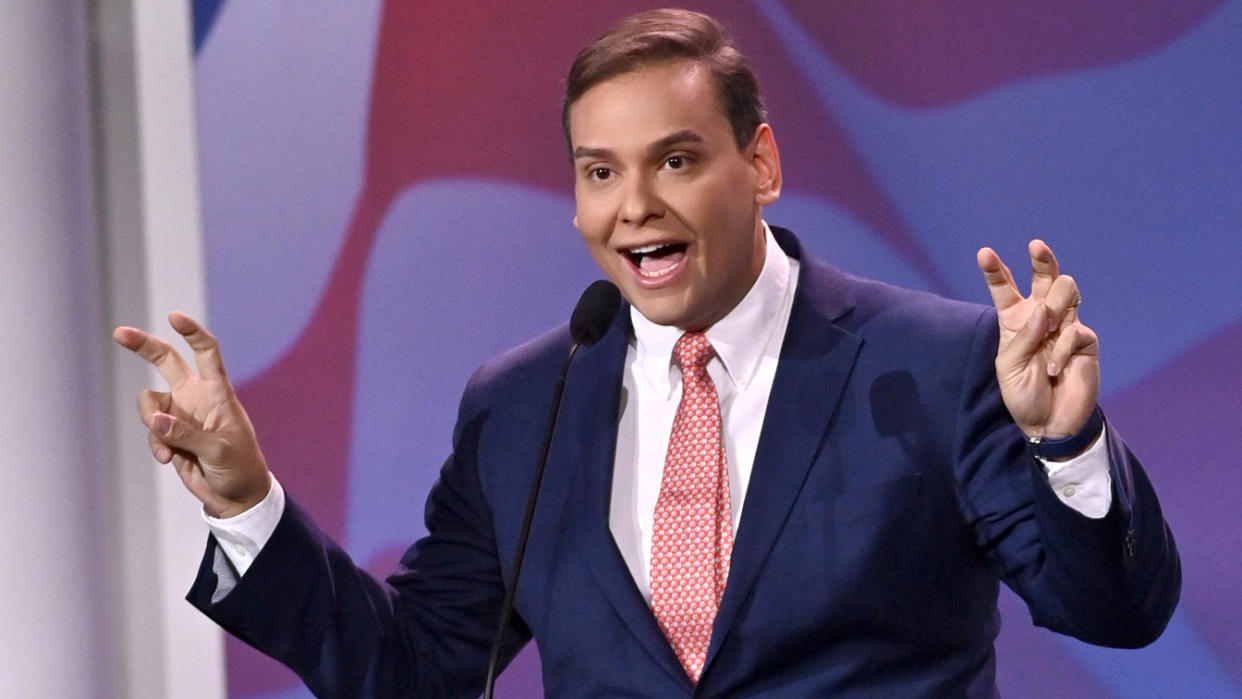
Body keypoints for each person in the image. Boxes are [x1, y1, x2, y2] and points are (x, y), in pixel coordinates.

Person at [114, 8, 1179, 697]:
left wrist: (1068, 447)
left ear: (759, 163)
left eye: (675, 160)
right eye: (599, 172)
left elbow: (1115, 615)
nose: (636, 209)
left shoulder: (938, 364)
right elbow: (418, 672)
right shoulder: (524, 404)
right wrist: (247, 502)